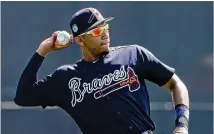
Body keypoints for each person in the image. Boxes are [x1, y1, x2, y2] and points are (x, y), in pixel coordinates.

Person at [14, 7, 190, 134]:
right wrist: (42, 52)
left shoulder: (133, 54)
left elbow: (175, 83)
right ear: (80, 40)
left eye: (106, 28)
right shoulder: (66, 78)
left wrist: (181, 124)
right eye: (98, 31)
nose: (105, 34)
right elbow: (23, 96)